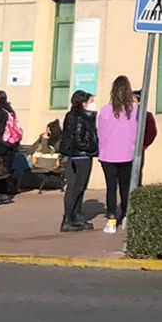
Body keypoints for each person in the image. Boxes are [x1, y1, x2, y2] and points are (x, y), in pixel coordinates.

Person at [97, 75, 142, 235]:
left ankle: (111, 219)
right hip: (127, 154)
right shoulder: (135, 110)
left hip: (108, 155)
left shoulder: (106, 110)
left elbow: (100, 131)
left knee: (111, 188)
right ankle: (125, 217)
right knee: (125, 188)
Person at [58, 90, 99, 232]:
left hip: (80, 155)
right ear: (83, 103)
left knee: (79, 187)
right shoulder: (79, 117)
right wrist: (93, 147)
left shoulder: (81, 116)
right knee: (75, 187)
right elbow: (78, 139)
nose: (93, 104)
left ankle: (75, 215)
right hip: (79, 156)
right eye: (90, 101)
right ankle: (69, 218)